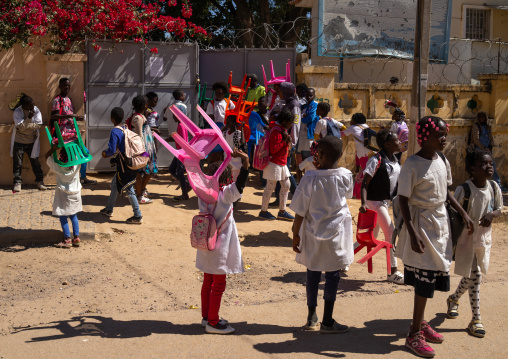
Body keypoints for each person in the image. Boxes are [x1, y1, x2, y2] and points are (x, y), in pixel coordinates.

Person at [396, 116, 474, 357]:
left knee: (432, 274)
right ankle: (414, 335)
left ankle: (420, 323)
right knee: (424, 277)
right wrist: (412, 231)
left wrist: (463, 212)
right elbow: (403, 199)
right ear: (424, 137)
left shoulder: (441, 159)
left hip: (439, 223)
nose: (444, 139)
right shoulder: (412, 164)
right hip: (421, 225)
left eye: (445, 134)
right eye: (439, 135)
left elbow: (447, 191)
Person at [291, 135, 353, 334]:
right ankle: (328, 320)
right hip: (336, 233)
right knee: (333, 274)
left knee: (313, 272)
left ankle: (311, 317)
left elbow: (300, 210)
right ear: (341, 155)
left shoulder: (310, 177)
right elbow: (348, 194)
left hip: (312, 232)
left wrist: (295, 233)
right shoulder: (345, 175)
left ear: (319, 154)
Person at [446, 148, 502, 338]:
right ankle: (476, 319)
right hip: (466, 240)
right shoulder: (465, 189)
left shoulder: (494, 187)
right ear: (472, 168)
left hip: (484, 239)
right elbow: (454, 212)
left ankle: (454, 298)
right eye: (483, 164)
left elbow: (499, 208)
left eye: (490, 163)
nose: (489, 167)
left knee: (472, 276)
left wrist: (492, 214)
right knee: (475, 277)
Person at [197, 149, 250, 334]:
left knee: (207, 282)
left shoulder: (202, 195)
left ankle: (206, 317)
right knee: (218, 284)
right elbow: (242, 182)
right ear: (227, 179)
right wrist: (245, 160)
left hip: (205, 244)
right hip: (220, 246)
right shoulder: (226, 194)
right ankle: (213, 322)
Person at [359, 129, 404, 284]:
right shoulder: (376, 160)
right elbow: (365, 183)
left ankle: (342, 261)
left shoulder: (394, 159)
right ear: (387, 144)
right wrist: (363, 202)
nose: (399, 142)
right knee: (391, 232)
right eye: (396, 140)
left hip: (383, 202)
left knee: (370, 237)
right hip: (374, 202)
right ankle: (393, 271)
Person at [100, 107, 143, 224]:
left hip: (125, 165)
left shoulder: (115, 131)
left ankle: (138, 215)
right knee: (114, 185)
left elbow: (111, 150)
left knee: (129, 189)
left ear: (112, 118)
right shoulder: (125, 128)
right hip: (129, 161)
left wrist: (105, 153)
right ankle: (109, 209)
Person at [51, 78, 96, 185]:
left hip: (72, 133)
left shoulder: (69, 99)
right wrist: (69, 116)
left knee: (84, 154)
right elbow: (53, 116)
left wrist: (77, 117)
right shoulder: (57, 100)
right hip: (64, 135)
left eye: (68, 86)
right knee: (70, 157)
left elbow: (70, 115)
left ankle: (82, 177)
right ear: (60, 87)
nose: (67, 88)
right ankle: (70, 180)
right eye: (64, 85)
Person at [259, 109, 295, 221]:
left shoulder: (281, 130)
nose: (291, 125)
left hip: (281, 164)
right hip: (275, 163)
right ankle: (263, 211)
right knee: (270, 187)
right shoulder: (277, 131)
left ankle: (282, 211)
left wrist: (286, 140)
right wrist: (285, 141)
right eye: (290, 122)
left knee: (286, 186)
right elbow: (273, 149)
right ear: (284, 121)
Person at [45, 144, 82, 248]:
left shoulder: (57, 166)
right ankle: (76, 238)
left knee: (63, 215)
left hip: (63, 194)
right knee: (74, 215)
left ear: (61, 155)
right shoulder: (76, 164)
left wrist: (53, 148)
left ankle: (67, 239)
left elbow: (46, 157)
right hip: (76, 193)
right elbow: (83, 153)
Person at [270, 82, 300, 207]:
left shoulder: (294, 106)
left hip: (287, 143)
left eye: (281, 91)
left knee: (285, 172)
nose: (279, 93)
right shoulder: (287, 103)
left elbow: (296, 126)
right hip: (283, 141)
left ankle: (297, 196)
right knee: (281, 171)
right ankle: (279, 198)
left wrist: (291, 143)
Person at [10, 95, 46, 192]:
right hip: (19, 141)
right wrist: (29, 118)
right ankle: (17, 182)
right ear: (24, 106)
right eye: (30, 105)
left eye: (33, 104)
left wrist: (24, 126)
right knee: (17, 163)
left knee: (35, 162)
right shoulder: (18, 112)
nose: (33, 106)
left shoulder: (36, 110)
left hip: (32, 141)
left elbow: (38, 125)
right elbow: (20, 127)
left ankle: (40, 181)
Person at [129, 95, 157, 204]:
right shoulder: (138, 118)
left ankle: (141, 191)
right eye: (146, 103)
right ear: (144, 105)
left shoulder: (140, 116)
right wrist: (144, 153)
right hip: (141, 149)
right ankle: (139, 195)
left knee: (147, 171)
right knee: (142, 172)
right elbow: (139, 136)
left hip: (146, 147)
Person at [166, 90, 192, 202]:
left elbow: (181, 140)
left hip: (181, 152)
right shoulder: (181, 125)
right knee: (172, 170)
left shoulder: (181, 126)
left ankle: (184, 194)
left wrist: (169, 139)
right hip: (179, 151)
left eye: (174, 115)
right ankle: (186, 185)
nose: (173, 117)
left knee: (179, 172)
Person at [468, 111, 503, 189]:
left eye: (483, 117)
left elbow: (490, 138)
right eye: (480, 117)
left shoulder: (487, 127)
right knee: (478, 167)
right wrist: (483, 148)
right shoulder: (476, 126)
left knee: (492, 166)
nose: (481, 118)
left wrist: (490, 146)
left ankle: (498, 184)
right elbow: (476, 139)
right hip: (478, 150)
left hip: (487, 151)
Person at [341, 113, 371, 199]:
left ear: (355, 121)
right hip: (368, 152)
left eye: (352, 119)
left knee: (364, 174)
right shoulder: (366, 126)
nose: (350, 121)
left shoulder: (352, 128)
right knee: (366, 171)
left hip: (362, 154)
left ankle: (360, 194)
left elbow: (341, 134)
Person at [206, 81, 235, 163]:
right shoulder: (211, 103)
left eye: (220, 92)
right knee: (216, 150)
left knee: (226, 150)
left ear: (224, 93)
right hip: (216, 129)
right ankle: (214, 167)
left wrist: (227, 126)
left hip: (227, 128)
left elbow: (234, 114)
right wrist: (218, 129)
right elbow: (210, 118)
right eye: (216, 92)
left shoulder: (229, 102)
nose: (218, 94)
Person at [296, 88, 318, 181]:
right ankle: (302, 180)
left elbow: (311, 118)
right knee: (302, 158)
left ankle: (309, 179)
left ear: (314, 96)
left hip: (309, 136)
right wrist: (302, 117)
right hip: (301, 136)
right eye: (307, 95)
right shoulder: (303, 106)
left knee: (309, 159)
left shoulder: (315, 105)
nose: (308, 97)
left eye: (311, 95)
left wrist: (301, 118)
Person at [222, 115, 246, 181]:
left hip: (236, 162)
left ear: (234, 123)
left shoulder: (238, 133)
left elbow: (243, 142)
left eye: (228, 122)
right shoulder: (225, 133)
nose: (226, 123)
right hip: (227, 160)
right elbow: (219, 133)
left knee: (234, 180)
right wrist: (225, 127)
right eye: (226, 121)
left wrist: (242, 128)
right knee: (228, 179)